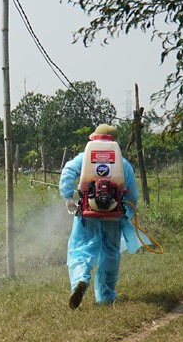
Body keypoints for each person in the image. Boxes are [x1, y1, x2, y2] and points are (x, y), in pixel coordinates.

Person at [59, 124, 147, 309]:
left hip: (87, 213)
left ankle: (80, 280)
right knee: (110, 253)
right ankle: (106, 296)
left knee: (81, 250)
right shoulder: (122, 163)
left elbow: (68, 171)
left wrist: (68, 197)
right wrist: (128, 212)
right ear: (115, 141)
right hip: (113, 215)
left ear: (94, 138)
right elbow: (132, 195)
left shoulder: (85, 157)